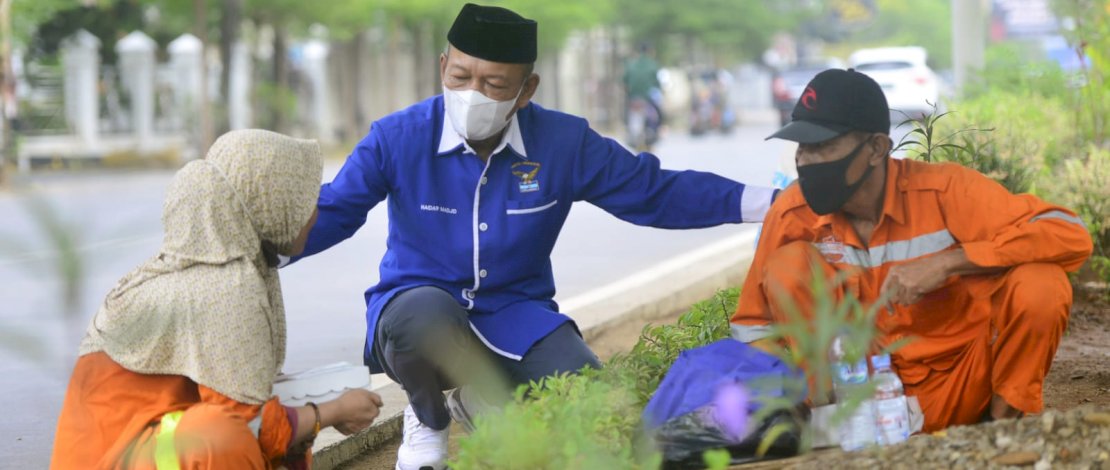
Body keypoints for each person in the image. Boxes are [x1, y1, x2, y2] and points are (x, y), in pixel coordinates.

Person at [284, 4, 779, 469]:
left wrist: (774, 205)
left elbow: (653, 192)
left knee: (587, 399)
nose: (473, 93)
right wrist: (262, 249)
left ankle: (484, 399)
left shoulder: (563, 142)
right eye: (461, 77)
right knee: (423, 319)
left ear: (526, 89)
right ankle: (428, 417)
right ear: (442, 67)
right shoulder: (397, 138)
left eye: (494, 83)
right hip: (416, 311)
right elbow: (335, 208)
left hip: (518, 316)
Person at [729, 69, 1093, 433]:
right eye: (802, 148)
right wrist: (791, 397)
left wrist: (949, 262)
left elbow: (1070, 234)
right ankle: (835, 427)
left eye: (823, 146)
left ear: (876, 148)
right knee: (788, 265)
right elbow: (752, 326)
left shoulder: (944, 191)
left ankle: (999, 430)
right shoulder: (794, 213)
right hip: (857, 403)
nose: (806, 161)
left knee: (1042, 284)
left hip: (960, 386)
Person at [51, 130, 384, 469]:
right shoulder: (223, 287)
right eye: (302, 201)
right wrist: (332, 411)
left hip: (133, 453)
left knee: (275, 423)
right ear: (269, 203)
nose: (313, 215)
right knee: (222, 436)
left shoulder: (205, 271)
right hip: (114, 459)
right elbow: (253, 425)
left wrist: (311, 417)